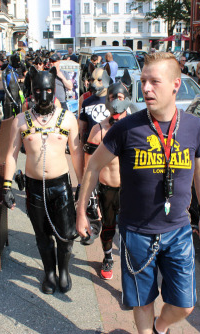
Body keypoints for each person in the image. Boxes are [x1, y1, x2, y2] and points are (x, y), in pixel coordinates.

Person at [76, 52, 200, 334]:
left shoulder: (195, 128)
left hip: (178, 231)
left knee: (185, 305)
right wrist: (81, 211)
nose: (146, 88)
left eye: (154, 82)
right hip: (137, 232)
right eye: (143, 81)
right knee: (142, 301)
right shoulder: (126, 128)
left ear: (176, 84)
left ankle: (160, 328)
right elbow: (92, 167)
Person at [3, 66, 83, 295]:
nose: (44, 95)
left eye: (48, 90)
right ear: (32, 92)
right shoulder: (20, 121)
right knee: (42, 234)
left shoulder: (67, 119)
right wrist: (6, 186)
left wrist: (83, 186)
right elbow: (11, 154)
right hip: (34, 188)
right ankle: (49, 272)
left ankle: (64, 271)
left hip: (61, 187)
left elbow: (76, 153)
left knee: (66, 234)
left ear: (54, 90)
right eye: (38, 91)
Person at [83, 78, 132, 280]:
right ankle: (107, 256)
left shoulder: (136, 127)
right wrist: (89, 195)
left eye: (120, 97)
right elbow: (89, 166)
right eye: (113, 98)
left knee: (131, 231)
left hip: (130, 190)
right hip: (107, 189)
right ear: (107, 101)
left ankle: (131, 260)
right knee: (108, 227)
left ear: (127, 99)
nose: (116, 101)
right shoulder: (99, 130)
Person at [2, 52, 25, 118]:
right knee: (9, 119)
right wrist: (12, 99)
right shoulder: (5, 72)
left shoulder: (15, 71)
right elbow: (5, 88)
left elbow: (17, 85)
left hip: (17, 98)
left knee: (19, 118)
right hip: (9, 100)